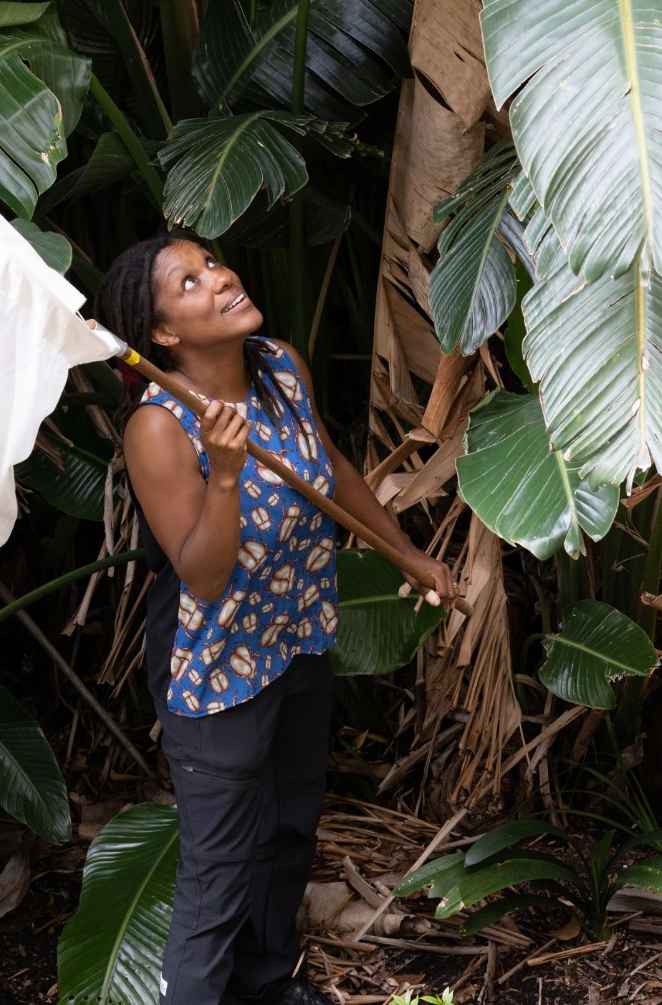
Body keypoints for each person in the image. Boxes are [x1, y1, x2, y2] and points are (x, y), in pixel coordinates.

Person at [95, 236, 455, 1005]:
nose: (220, 277)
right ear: (162, 334)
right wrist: (223, 475)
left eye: (213, 263)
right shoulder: (157, 428)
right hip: (216, 663)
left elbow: (329, 464)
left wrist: (405, 554)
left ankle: (269, 985)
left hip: (296, 641)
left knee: (288, 831)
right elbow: (203, 572)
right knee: (219, 868)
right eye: (190, 282)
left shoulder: (278, 364)